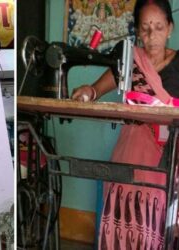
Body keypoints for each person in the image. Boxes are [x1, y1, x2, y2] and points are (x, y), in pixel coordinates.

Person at [72, 0, 178, 249]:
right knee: (127, 206)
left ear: (170, 28)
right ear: (137, 31)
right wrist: (89, 91)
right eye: (145, 28)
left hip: (171, 153)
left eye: (159, 27)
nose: (151, 36)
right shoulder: (131, 61)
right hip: (133, 150)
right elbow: (96, 89)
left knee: (161, 218)